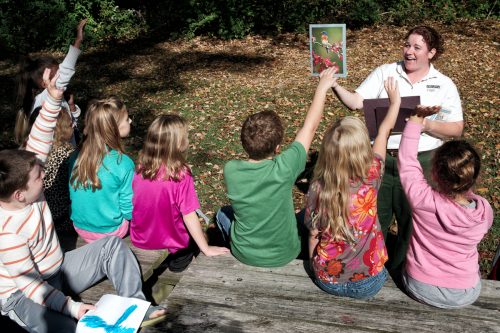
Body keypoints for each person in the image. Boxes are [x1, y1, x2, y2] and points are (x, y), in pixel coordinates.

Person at [0, 69, 166, 333]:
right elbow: (31, 286)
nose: (45, 174)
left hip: (58, 271)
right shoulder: (8, 232)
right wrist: (74, 308)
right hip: (25, 295)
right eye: (38, 176)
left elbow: (39, 138)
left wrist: (54, 98)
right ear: (19, 195)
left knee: (112, 246)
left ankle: (135, 307)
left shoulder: (24, 181)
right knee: (72, 329)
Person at [330, 25, 464, 272]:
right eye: (407, 45)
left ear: (431, 53)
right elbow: (356, 102)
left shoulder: (443, 84)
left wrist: (424, 125)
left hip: (419, 162)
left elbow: (456, 128)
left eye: (417, 47)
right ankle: (372, 270)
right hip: (380, 160)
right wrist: (334, 85)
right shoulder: (386, 72)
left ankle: (404, 271)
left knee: (412, 222)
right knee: (372, 218)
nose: (409, 52)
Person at [216, 67, 338, 267]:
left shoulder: (231, 169)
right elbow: (310, 127)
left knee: (222, 213)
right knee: (306, 213)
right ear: (278, 147)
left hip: (244, 253)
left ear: (244, 142)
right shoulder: (285, 167)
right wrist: (321, 88)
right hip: (285, 253)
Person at [304, 77, 401, 299]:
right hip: (369, 280)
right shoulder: (372, 175)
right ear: (362, 151)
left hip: (327, 279)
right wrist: (394, 103)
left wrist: (313, 268)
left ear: (328, 152)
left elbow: (313, 235)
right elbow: (384, 132)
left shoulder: (318, 187)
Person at [398, 109, 493, 308]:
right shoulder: (484, 212)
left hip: (420, 285)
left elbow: (407, 162)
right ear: (473, 176)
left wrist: (415, 121)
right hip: (465, 292)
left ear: (433, 172)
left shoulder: (423, 200)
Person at [131, 115, 229, 271]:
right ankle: (180, 263)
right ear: (177, 144)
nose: (188, 140)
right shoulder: (181, 175)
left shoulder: (140, 169)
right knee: (189, 246)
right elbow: (189, 214)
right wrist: (206, 248)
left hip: (141, 239)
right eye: (186, 137)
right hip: (173, 244)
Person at [69, 96, 134, 243]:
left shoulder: (75, 157)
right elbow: (128, 209)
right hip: (111, 230)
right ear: (113, 128)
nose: (130, 121)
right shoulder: (123, 163)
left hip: (80, 227)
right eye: (126, 119)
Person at [14, 19, 87, 147]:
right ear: (45, 83)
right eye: (57, 74)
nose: (61, 75)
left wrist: (71, 107)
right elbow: (66, 69)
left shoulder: (51, 98)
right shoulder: (46, 98)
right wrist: (78, 40)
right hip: (59, 160)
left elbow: (71, 124)